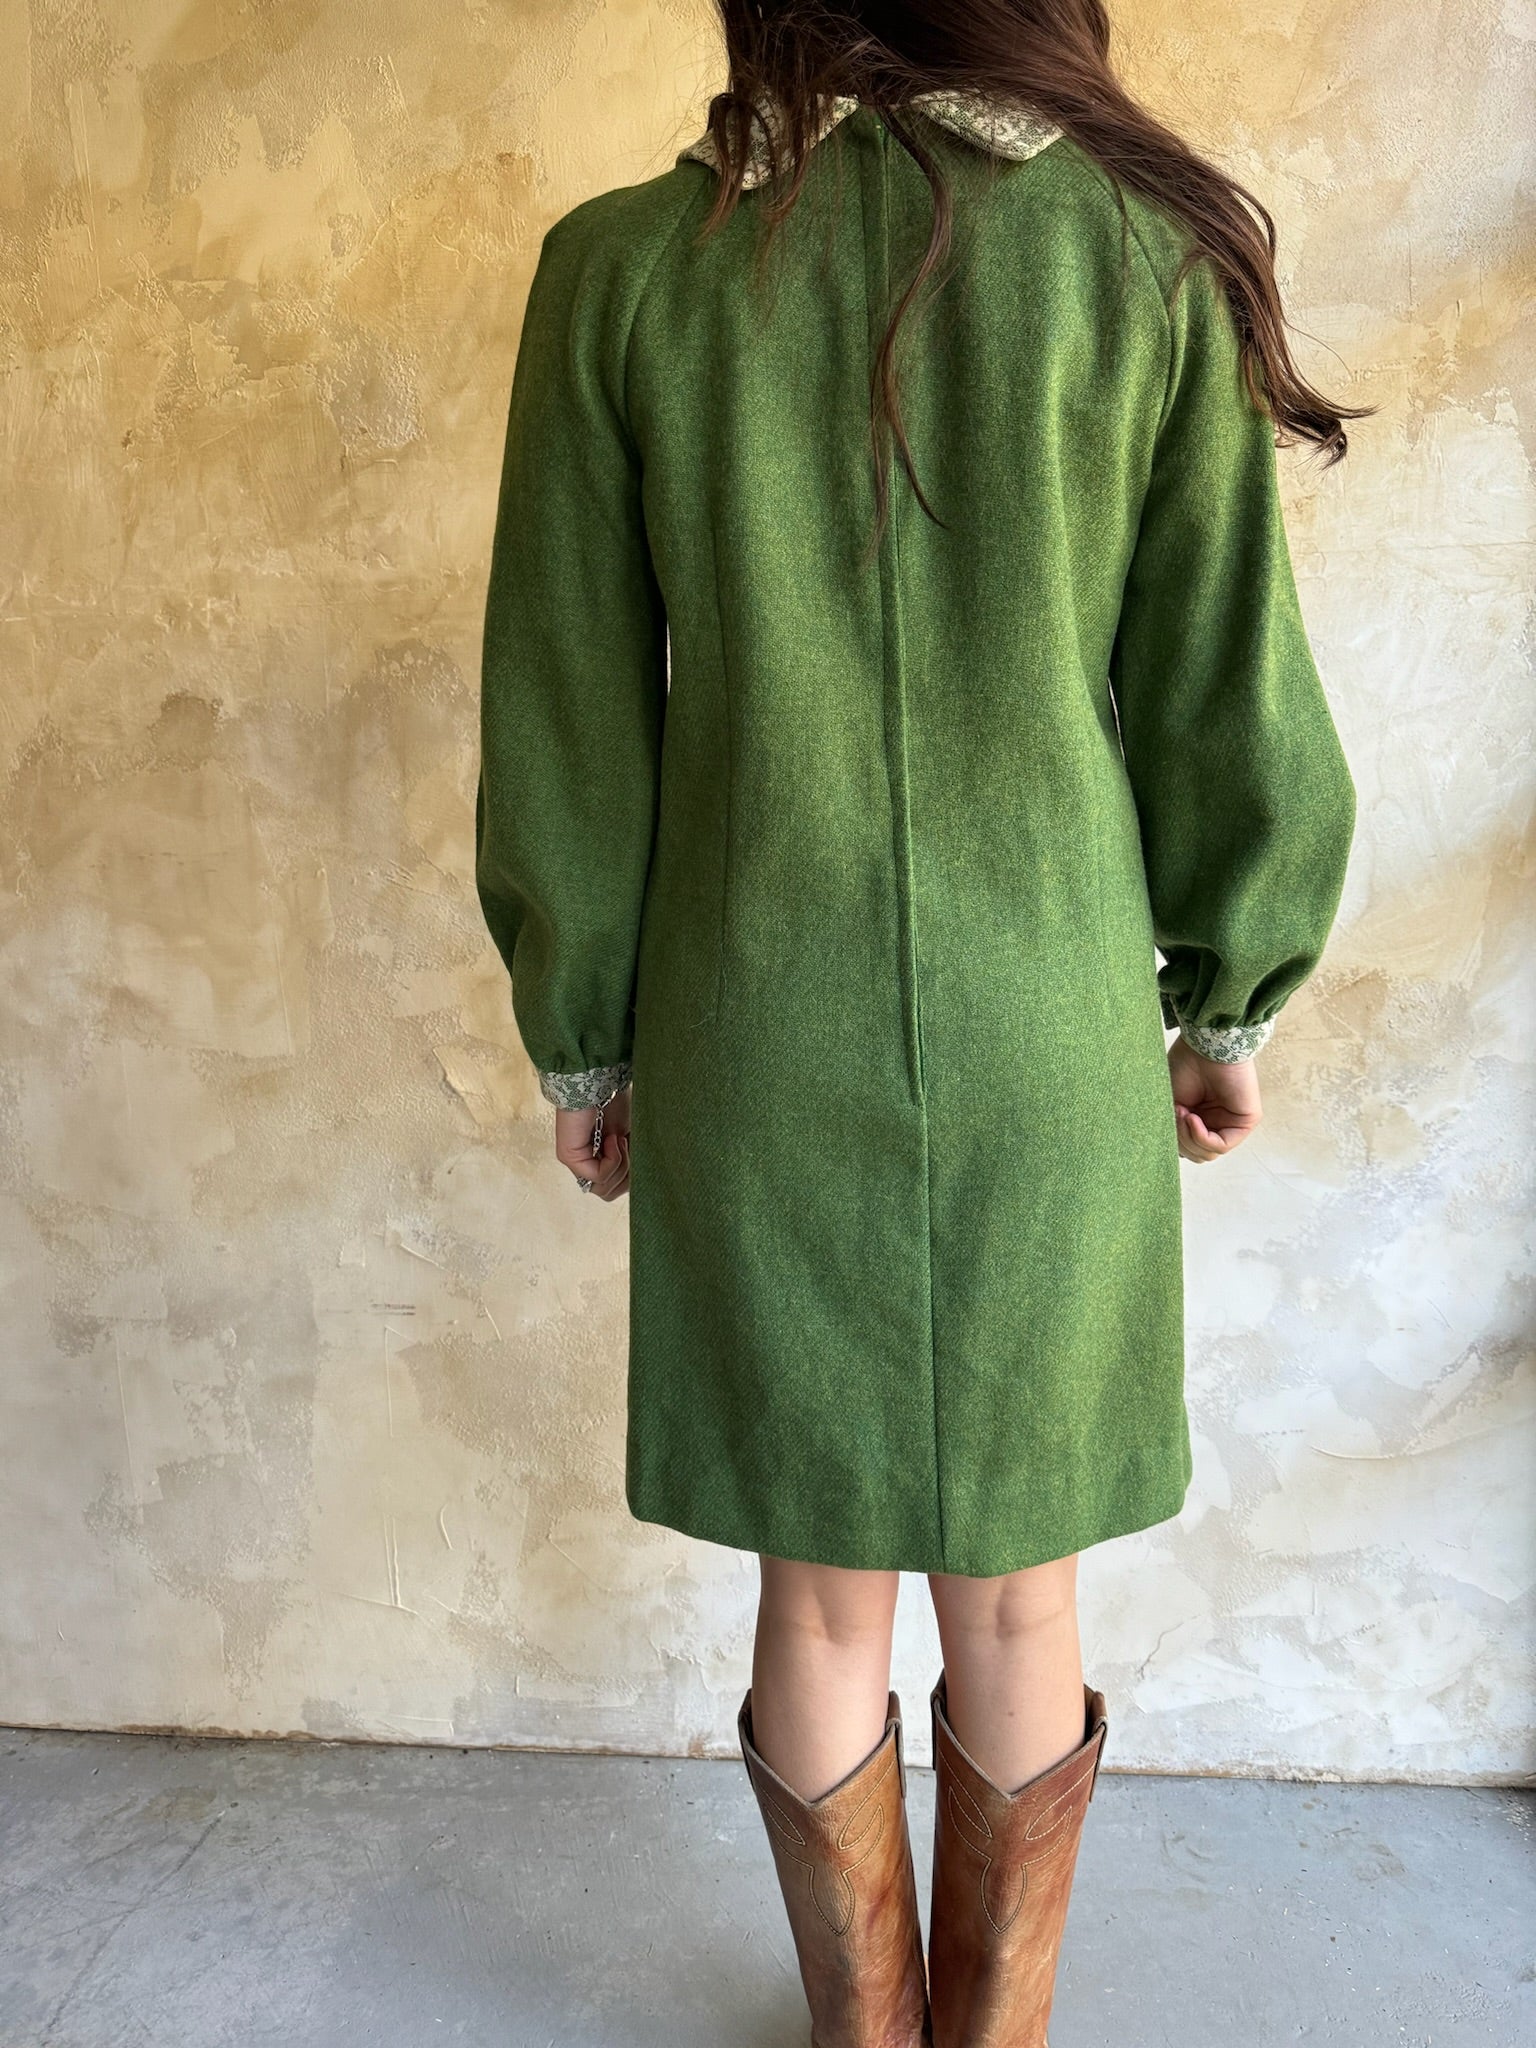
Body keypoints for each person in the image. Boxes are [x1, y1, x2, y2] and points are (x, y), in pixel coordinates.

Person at [474, 3, 1361, 2041]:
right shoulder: (1142, 256)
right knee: (1025, 1591)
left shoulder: (624, 271)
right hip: (1048, 1024)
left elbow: (569, 712)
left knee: (813, 1597)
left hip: (749, 1028)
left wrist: (587, 1038)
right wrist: (1228, 1004)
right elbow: (1227, 679)